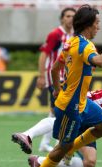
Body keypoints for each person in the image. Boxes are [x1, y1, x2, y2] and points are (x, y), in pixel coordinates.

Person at [29, 4, 102, 167]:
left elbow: (55, 69)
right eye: (97, 22)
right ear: (89, 24)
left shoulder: (71, 42)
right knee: (63, 146)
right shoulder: (84, 46)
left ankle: (72, 148)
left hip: (83, 101)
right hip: (71, 107)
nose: (99, 26)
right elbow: (101, 61)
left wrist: (57, 90)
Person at [37, 7, 76, 153]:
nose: (70, 18)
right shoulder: (56, 34)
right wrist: (41, 75)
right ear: (62, 19)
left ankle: (46, 143)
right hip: (54, 77)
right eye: (67, 16)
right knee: (60, 109)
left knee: (55, 110)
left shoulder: (74, 35)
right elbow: (44, 55)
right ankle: (55, 143)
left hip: (67, 78)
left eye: (73, 16)